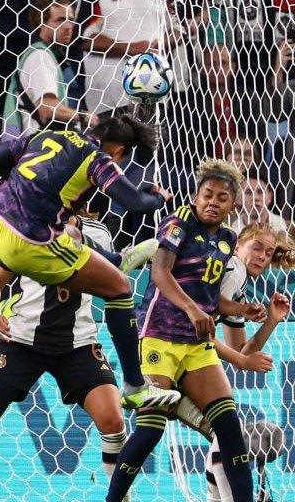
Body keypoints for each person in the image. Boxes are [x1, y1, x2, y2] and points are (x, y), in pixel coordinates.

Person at [0, 217, 136, 502]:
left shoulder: (98, 232)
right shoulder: (29, 227)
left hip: (77, 342)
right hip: (23, 339)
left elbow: (112, 281)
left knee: (113, 421)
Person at [0, 111, 177, 410]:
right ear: (119, 150)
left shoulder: (45, 134)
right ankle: (136, 387)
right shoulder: (97, 158)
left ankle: (113, 258)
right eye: (122, 159)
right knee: (120, 288)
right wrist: (159, 197)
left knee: (70, 232)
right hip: (27, 240)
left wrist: (21, 189)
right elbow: (136, 204)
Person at [106, 159, 260, 502]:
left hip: (196, 346)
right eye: (207, 194)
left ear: (232, 205)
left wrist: (245, 310)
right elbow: (160, 272)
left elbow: (213, 302)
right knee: (149, 430)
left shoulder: (227, 240)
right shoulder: (179, 222)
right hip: (159, 335)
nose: (213, 202)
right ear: (195, 195)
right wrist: (191, 309)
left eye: (222, 197)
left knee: (230, 429)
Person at [202, 222, 293, 502]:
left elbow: (241, 348)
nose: (263, 256)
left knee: (222, 434)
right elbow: (200, 326)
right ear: (238, 245)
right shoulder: (232, 268)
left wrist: (273, 321)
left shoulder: (238, 287)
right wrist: (243, 361)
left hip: (185, 353)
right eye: (256, 247)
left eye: (268, 252)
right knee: (226, 434)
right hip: (177, 352)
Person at [3, 0, 89, 140]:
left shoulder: (47, 55)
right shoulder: (40, 56)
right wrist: (84, 117)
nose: (68, 26)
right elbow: (47, 108)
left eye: (71, 19)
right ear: (41, 23)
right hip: (34, 151)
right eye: (60, 20)